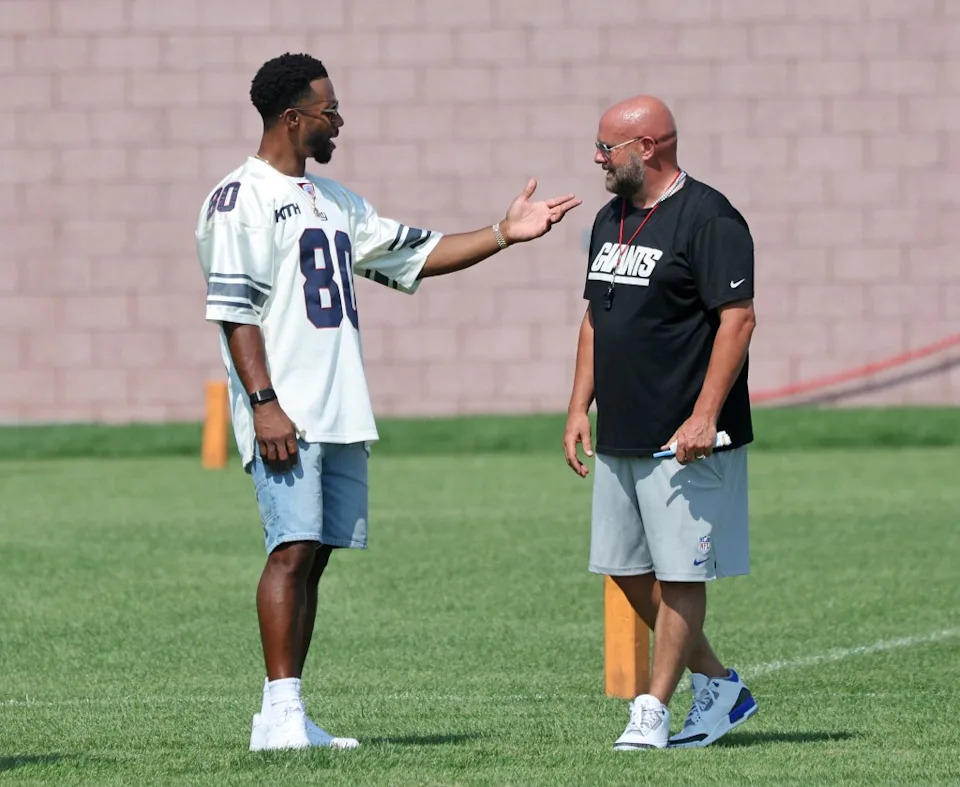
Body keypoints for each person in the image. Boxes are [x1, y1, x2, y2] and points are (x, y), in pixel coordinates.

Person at [195, 52, 581, 752]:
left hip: (338, 405)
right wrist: (263, 403)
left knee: (316, 554)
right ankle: (280, 712)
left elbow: (416, 251)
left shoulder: (335, 200)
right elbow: (235, 312)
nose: (338, 122)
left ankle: (285, 711)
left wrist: (503, 233)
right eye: (328, 111)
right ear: (292, 117)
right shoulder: (238, 199)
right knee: (292, 547)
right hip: (286, 405)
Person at [562, 95, 758, 750]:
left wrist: (705, 415)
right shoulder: (607, 218)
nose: (596, 158)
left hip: (687, 439)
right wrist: (576, 406)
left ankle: (652, 707)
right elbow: (595, 318)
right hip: (621, 427)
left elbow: (738, 319)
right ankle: (721, 684)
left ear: (646, 148)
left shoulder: (710, 218)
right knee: (624, 566)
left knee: (680, 572)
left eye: (605, 148)